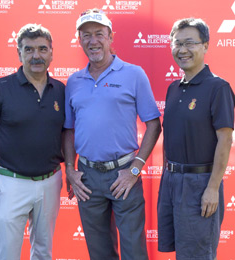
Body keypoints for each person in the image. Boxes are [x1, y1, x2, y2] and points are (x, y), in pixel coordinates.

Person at [63, 8, 161, 260]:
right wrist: (70, 172)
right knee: (99, 252)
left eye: (99, 34)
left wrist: (135, 169)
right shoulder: (74, 81)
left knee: (134, 251)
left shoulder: (134, 74)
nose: (92, 41)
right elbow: (69, 129)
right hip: (87, 178)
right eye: (86, 35)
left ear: (110, 37)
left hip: (124, 174)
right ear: (79, 39)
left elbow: (153, 124)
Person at [0, 24, 65, 260]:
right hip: (12, 182)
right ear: (19, 53)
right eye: (29, 49)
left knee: (44, 252)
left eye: (43, 49)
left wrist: (72, 171)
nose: (37, 55)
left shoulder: (61, 90)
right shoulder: (0, 88)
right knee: (7, 254)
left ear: (52, 53)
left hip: (51, 181)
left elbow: (67, 133)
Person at [157, 18, 235, 260]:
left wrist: (212, 188)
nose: (182, 50)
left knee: (198, 254)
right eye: (177, 43)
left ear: (205, 45)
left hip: (199, 184)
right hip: (171, 181)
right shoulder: (173, 88)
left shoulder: (218, 88)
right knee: (181, 251)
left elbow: (225, 140)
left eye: (190, 43)